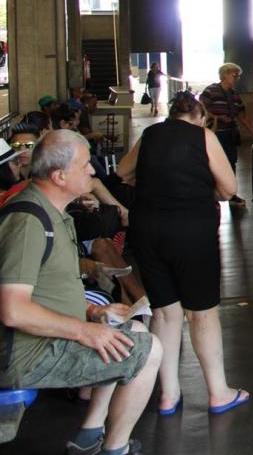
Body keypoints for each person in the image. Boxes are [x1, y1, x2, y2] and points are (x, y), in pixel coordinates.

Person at [0, 130, 164, 455]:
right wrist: (84, 330)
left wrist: (94, 312)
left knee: (131, 331)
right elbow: (13, 310)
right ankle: (115, 448)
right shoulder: (28, 222)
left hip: (44, 339)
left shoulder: (52, 211)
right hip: (26, 355)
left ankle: (89, 435)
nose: (92, 170)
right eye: (85, 165)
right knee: (149, 351)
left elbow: (47, 286)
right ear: (59, 176)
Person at [116, 91, 249, 417]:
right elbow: (229, 189)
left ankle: (168, 395)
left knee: (165, 313)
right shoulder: (203, 136)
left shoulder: (150, 135)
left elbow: (123, 172)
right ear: (200, 117)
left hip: (148, 229)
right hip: (191, 231)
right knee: (201, 312)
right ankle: (218, 392)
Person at [200, 63, 253, 207]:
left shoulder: (234, 95)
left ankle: (231, 194)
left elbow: (242, 116)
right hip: (214, 134)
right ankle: (211, 196)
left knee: (231, 163)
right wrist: (216, 117)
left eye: (238, 76)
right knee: (212, 164)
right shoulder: (211, 91)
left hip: (229, 133)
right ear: (224, 75)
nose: (236, 78)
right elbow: (201, 109)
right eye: (234, 75)